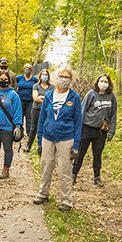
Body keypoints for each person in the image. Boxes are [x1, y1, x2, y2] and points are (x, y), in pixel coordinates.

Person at [33, 65, 82, 211]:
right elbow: (41, 119)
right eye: (61, 76)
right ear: (57, 78)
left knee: (64, 170)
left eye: (67, 77)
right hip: (48, 137)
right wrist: (39, 141)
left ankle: (66, 201)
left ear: (71, 80)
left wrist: (76, 145)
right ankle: (43, 193)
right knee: (46, 166)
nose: (64, 79)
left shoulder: (75, 97)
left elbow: (78, 122)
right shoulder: (48, 95)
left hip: (66, 138)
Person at [72, 73, 117, 187]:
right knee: (80, 153)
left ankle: (97, 177)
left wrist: (112, 131)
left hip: (101, 131)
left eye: (106, 82)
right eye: (101, 81)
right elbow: (82, 110)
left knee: (97, 155)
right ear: (97, 82)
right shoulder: (91, 94)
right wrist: (78, 128)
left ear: (109, 84)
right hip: (87, 128)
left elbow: (114, 115)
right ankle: (73, 174)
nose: (103, 83)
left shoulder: (111, 97)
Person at [24, 68, 54, 153]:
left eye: (46, 74)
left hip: (47, 111)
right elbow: (35, 98)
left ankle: (41, 146)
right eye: (43, 74)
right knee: (33, 128)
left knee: (45, 128)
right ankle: (28, 146)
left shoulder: (52, 87)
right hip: (36, 109)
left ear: (48, 76)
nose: (44, 76)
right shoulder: (36, 86)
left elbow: (52, 99)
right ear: (40, 76)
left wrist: (41, 97)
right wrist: (46, 99)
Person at [15, 63, 38, 133]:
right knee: (20, 116)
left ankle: (28, 132)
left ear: (31, 70)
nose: (27, 70)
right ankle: (20, 132)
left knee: (29, 117)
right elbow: (13, 83)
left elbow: (38, 86)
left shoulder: (34, 79)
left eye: (28, 69)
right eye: (26, 69)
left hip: (30, 101)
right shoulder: (19, 78)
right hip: (20, 100)